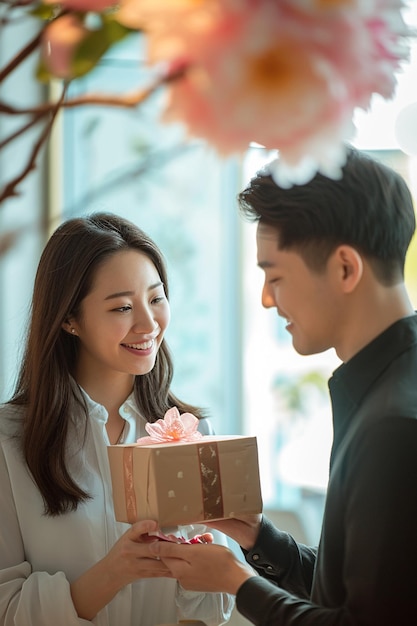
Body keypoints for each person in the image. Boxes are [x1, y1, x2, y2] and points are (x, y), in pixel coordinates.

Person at [147, 147, 417, 625]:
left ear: (345, 268)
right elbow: (366, 592)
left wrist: (237, 583)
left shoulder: (391, 426)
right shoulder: (388, 390)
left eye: (275, 276)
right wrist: (259, 539)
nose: (268, 300)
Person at [0, 213, 234, 626]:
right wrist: (116, 571)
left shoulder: (192, 434)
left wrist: (202, 563)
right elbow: (6, 609)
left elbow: (213, 613)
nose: (148, 324)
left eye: (156, 298)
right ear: (69, 319)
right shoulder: (9, 441)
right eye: (123, 307)